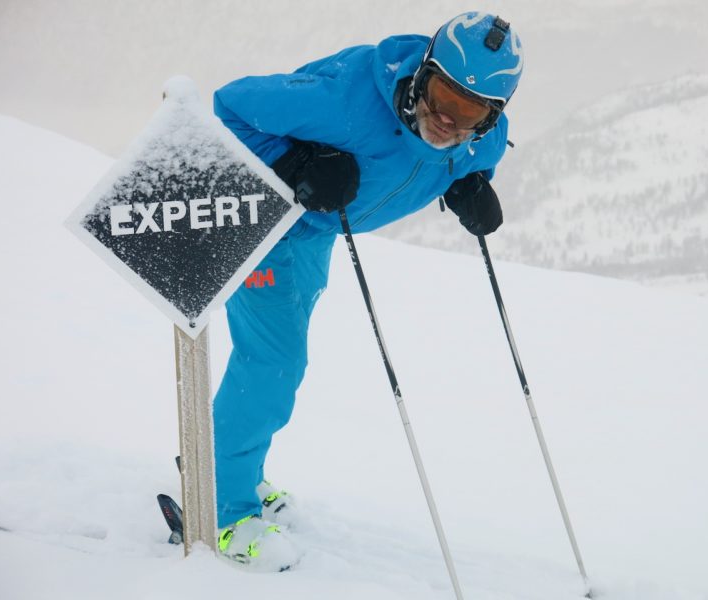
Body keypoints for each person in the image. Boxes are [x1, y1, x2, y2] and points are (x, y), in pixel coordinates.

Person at [212, 12, 524, 566]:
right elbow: (228, 104)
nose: (446, 119)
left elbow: (469, 156)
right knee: (273, 362)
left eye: (469, 111)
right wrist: (293, 161)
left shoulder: (483, 140)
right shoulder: (348, 102)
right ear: (424, 72)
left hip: (317, 232)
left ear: (492, 115)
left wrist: (471, 184)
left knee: (276, 359)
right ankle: (220, 508)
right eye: (440, 95)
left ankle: (230, 465)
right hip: (265, 222)